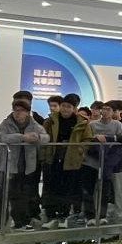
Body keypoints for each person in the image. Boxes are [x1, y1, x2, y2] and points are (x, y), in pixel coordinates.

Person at [0, 91, 46, 231]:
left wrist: (37, 138)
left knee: (22, 196)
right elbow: (0, 137)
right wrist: (21, 137)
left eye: (22, 110)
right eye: (16, 110)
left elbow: (46, 137)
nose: (18, 113)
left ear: (28, 111)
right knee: (2, 195)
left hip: (26, 166)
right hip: (7, 165)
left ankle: (21, 222)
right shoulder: (6, 123)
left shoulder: (34, 124)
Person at [40, 93, 92, 227]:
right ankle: (51, 216)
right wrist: (44, 155)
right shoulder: (51, 120)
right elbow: (44, 137)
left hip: (71, 160)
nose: (65, 109)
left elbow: (87, 139)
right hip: (53, 158)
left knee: (68, 188)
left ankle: (63, 216)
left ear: (74, 108)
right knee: (51, 187)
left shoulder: (82, 122)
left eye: (69, 107)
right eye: (63, 106)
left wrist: (80, 150)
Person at [85, 101, 122, 223]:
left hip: (111, 160)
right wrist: (96, 138)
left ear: (113, 112)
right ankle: (90, 216)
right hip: (93, 159)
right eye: (103, 109)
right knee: (91, 188)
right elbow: (87, 138)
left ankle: (103, 215)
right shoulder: (92, 124)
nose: (105, 111)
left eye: (108, 109)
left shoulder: (117, 124)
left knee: (106, 188)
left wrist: (108, 138)